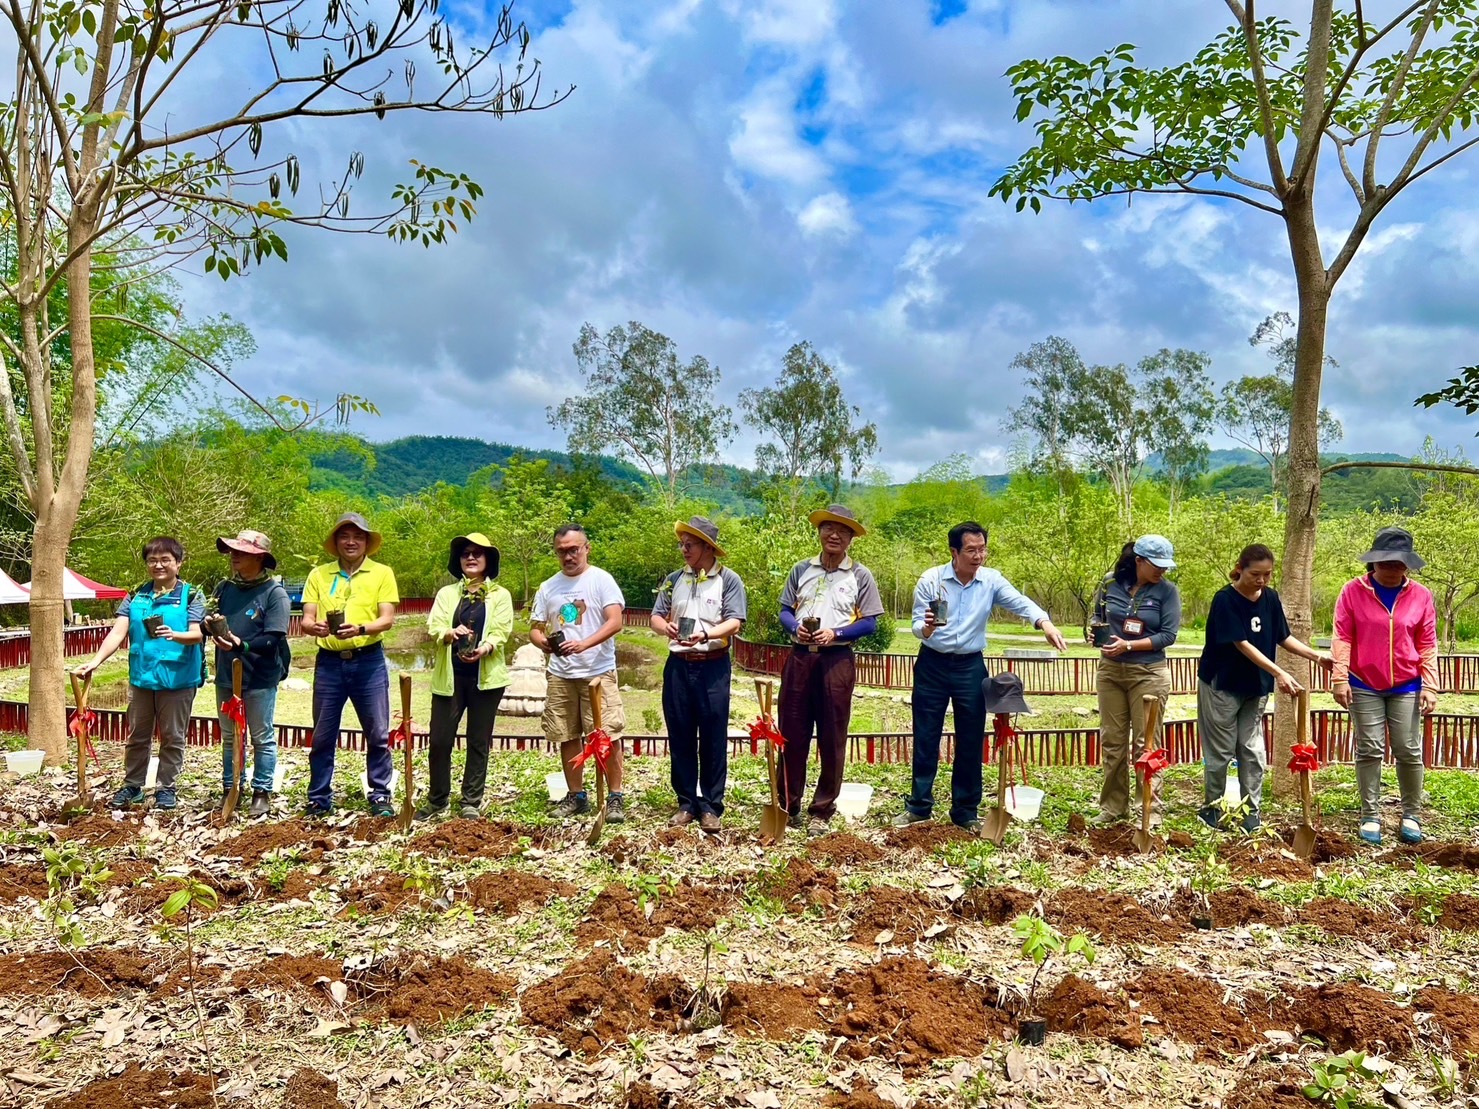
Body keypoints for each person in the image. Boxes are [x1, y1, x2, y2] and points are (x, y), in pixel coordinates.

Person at [896, 522, 1066, 833]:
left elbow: (1020, 602)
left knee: (972, 738)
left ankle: (965, 811)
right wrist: (929, 628)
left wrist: (1045, 623)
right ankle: (919, 807)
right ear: (954, 552)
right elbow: (917, 625)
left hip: (970, 667)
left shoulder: (991, 581)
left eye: (982, 549)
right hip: (932, 663)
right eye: (971, 550)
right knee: (926, 735)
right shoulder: (931, 580)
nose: (979, 556)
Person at [1196, 543, 1332, 832]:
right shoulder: (1225, 600)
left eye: (1267, 575)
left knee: (1252, 749)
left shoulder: (1270, 598)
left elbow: (1283, 637)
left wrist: (1316, 655)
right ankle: (1213, 808)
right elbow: (1242, 643)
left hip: (1255, 686)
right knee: (1221, 750)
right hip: (1222, 684)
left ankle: (1251, 812)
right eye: (1255, 574)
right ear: (1240, 569)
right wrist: (1279, 672)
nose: (1261, 580)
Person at [777, 504, 886, 835]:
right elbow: (784, 609)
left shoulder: (860, 575)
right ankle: (787, 804)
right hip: (799, 658)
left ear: (852, 537)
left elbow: (869, 623)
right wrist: (794, 627)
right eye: (828, 528)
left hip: (836, 660)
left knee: (832, 735)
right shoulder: (801, 569)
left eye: (842, 530)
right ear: (819, 532)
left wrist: (836, 633)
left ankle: (822, 809)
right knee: (791, 733)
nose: (834, 535)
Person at [77, 537, 205, 811]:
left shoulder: (191, 595)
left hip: (177, 678)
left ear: (178, 563)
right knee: (137, 735)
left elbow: (197, 634)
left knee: (172, 736)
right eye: (152, 560)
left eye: (165, 560)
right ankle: (132, 786)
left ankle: (166, 788)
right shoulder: (136, 595)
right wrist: (96, 661)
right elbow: (118, 631)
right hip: (142, 677)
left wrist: (176, 635)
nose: (158, 565)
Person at [1331, 527, 1438, 846]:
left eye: (1399, 564)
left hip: (1407, 682)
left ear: (1408, 565)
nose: (1392, 569)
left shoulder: (1421, 596)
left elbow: (1428, 642)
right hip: (1364, 681)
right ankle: (1370, 814)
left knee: (1408, 748)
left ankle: (1411, 814)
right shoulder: (1352, 591)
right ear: (1373, 563)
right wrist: (1339, 677)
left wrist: (1430, 685)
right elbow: (1343, 636)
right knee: (1370, 747)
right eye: (1386, 563)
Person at [651, 517, 747, 832]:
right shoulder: (673, 579)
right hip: (678, 665)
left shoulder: (729, 580)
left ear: (708, 547)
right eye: (681, 544)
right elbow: (655, 616)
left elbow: (734, 622)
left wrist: (705, 635)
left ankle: (711, 805)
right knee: (679, 734)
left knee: (713, 736)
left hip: (713, 665)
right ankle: (686, 802)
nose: (683, 550)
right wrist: (666, 626)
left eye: (689, 544)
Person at [299, 513, 399, 818]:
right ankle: (319, 797)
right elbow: (306, 618)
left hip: (368, 660)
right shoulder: (320, 574)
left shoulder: (382, 573)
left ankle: (380, 793)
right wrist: (312, 627)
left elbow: (387, 619)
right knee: (323, 733)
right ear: (337, 542)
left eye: (358, 536)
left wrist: (361, 629)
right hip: (329, 662)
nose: (351, 542)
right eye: (345, 536)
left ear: (367, 541)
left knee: (378, 732)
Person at [529, 523, 627, 823]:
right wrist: (544, 643)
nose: (568, 557)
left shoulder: (601, 580)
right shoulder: (548, 587)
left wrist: (584, 643)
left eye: (574, 549)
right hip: (561, 673)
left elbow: (615, 622)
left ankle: (614, 796)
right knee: (566, 734)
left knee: (607, 734)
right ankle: (577, 795)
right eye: (562, 552)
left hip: (597, 672)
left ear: (586, 548)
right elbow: (535, 627)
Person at [419, 532, 513, 820]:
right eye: (465, 553)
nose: (471, 558)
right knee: (439, 740)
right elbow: (434, 625)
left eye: (478, 553)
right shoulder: (447, 594)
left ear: (488, 561)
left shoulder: (500, 595)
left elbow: (501, 631)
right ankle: (437, 799)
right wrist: (450, 633)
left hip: (486, 678)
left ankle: (471, 800)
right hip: (451, 677)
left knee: (477, 740)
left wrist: (485, 647)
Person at [1093, 535, 1181, 826]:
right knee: (1113, 742)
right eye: (1156, 565)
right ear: (1138, 561)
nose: (1162, 571)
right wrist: (1097, 634)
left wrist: (1129, 645)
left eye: (1165, 566)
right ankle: (1113, 807)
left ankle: (1150, 809)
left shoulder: (1168, 592)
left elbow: (1168, 636)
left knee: (1146, 744)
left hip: (1148, 673)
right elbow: (1098, 616)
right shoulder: (1110, 583)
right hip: (1111, 672)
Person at [208, 530, 292, 819]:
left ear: (259, 558)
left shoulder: (274, 593)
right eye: (233, 551)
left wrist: (240, 644)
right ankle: (232, 786)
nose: (234, 556)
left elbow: (273, 638)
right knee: (230, 737)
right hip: (226, 674)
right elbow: (210, 620)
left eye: (241, 552)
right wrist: (211, 627)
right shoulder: (223, 588)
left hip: (260, 676)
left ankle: (262, 790)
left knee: (261, 735)